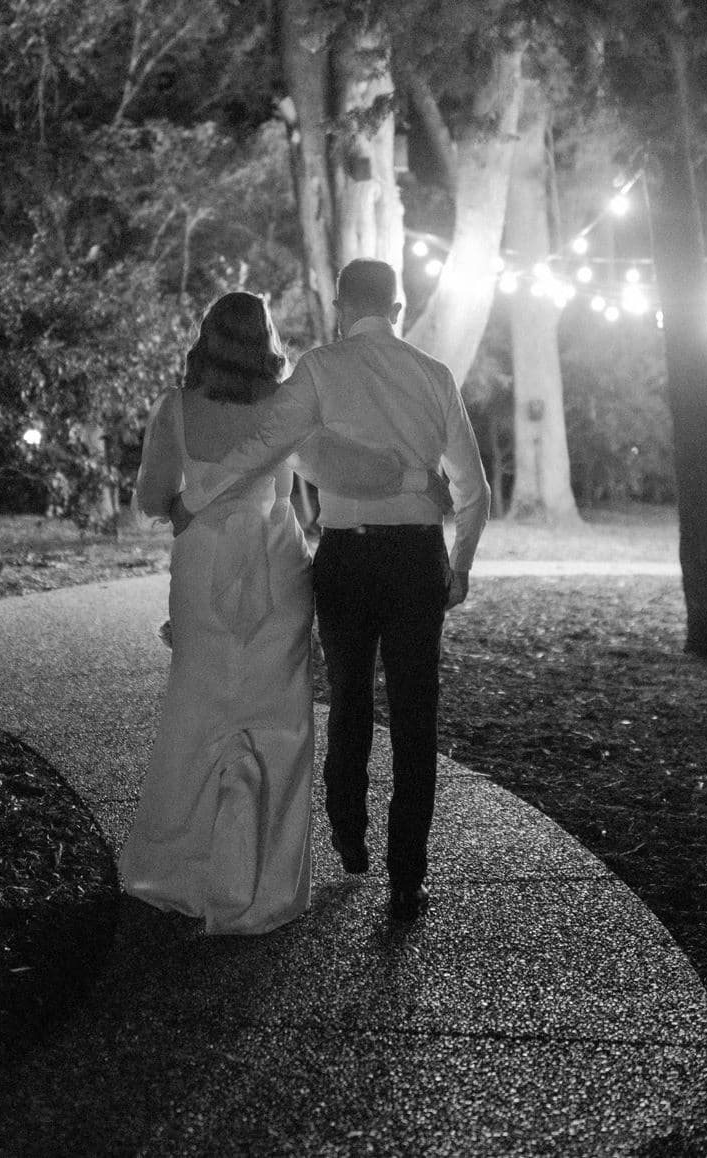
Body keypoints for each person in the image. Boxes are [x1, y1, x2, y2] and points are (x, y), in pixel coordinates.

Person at [173, 259, 489, 922]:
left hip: (346, 558)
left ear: (342, 304)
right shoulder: (433, 376)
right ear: (399, 308)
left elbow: (261, 444)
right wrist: (458, 566)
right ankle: (407, 877)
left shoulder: (317, 369)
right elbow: (473, 489)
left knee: (347, 701)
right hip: (414, 561)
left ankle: (348, 830)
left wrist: (195, 497)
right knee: (414, 716)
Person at [121, 291, 425, 934]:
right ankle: (260, 883)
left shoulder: (173, 411)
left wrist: (191, 493)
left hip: (202, 572)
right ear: (267, 346)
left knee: (199, 707)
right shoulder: (287, 413)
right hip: (276, 572)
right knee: (276, 721)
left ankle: (188, 871)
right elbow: (343, 468)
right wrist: (407, 470)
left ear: (205, 341)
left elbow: (153, 497)